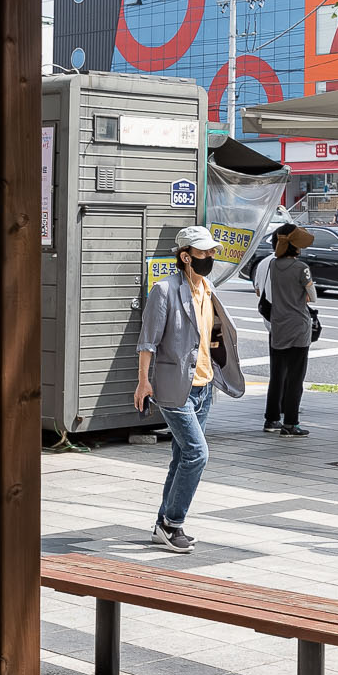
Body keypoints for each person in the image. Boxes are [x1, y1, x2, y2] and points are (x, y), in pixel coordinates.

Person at [132, 226, 245, 553]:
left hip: (204, 387)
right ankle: (173, 523)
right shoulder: (165, 291)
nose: (211, 257)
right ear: (185, 256)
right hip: (173, 388)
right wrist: (143, 381)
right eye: (204, 253)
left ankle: (161, 525)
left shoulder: (207, 288)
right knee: (198, 453)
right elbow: (147, 342)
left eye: (212, 252)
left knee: (181, 456)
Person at [261, 226, 316, 437]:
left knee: (277, 374)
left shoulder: (274, 265)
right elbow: (313, 295)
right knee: (295, 378)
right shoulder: (302, 268)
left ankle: (271, 418)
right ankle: (291, 423)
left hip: (278, 325)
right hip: (299, 327)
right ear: (295, 246)